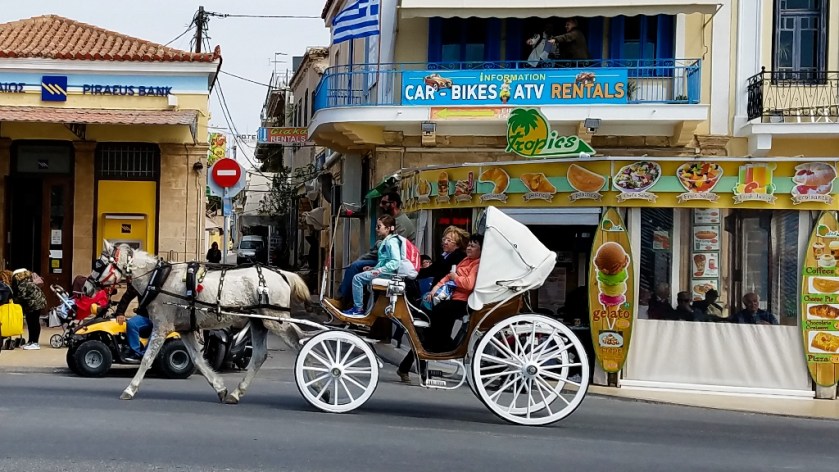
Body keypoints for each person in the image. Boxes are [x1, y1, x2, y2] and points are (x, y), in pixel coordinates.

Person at [398, 233, 482, 382]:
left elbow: (466, 283)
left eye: (473, 246)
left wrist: (454, 278)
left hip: (460, 300)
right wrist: (436, 288)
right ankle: (420, 356)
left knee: (430, 323)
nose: (469, 247)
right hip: (448, 296)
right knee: (426, 320)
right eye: (469, 245)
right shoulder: (464, 260)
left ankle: (438, 348)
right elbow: (446, 276)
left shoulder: (475, 264)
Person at [337, 191, 416, 305]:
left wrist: (377, 265)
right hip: (383, 261)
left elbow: (393, 254)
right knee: (356, 265)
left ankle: (345, 301)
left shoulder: (401, 224)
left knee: (356, 269)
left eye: (384, 203)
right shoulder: (392, 222)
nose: (380, 206)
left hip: (395, 267)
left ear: (393, 204)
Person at [342, 215, 402, 317]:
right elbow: (384, 261)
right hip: (385, 272)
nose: (376, 229)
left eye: (379, 227)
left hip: (388, 274)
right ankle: (363, 308)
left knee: (357, 279)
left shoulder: (391, 242)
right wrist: (373, 269)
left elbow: (395, 262)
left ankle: (358, 308)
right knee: (361, 276)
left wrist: (379, 270)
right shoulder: (387, 241)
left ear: (387, 228)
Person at [114, 283, 150, 362]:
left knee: (158, 329)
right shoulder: (141, 282)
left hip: (162, 317)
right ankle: (136, 353)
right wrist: (120, 313)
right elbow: (127, 296)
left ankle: (146, 355)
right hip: (146, 316)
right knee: (131, 324)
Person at [12, 269, 47, 350]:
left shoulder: (23, 284)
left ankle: (35, 342)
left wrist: (14, 300)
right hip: (35, 304)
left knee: (33, 322)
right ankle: (31, 341)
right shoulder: (27, 282)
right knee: (30, 322)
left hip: (35, 305)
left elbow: (22, 296)